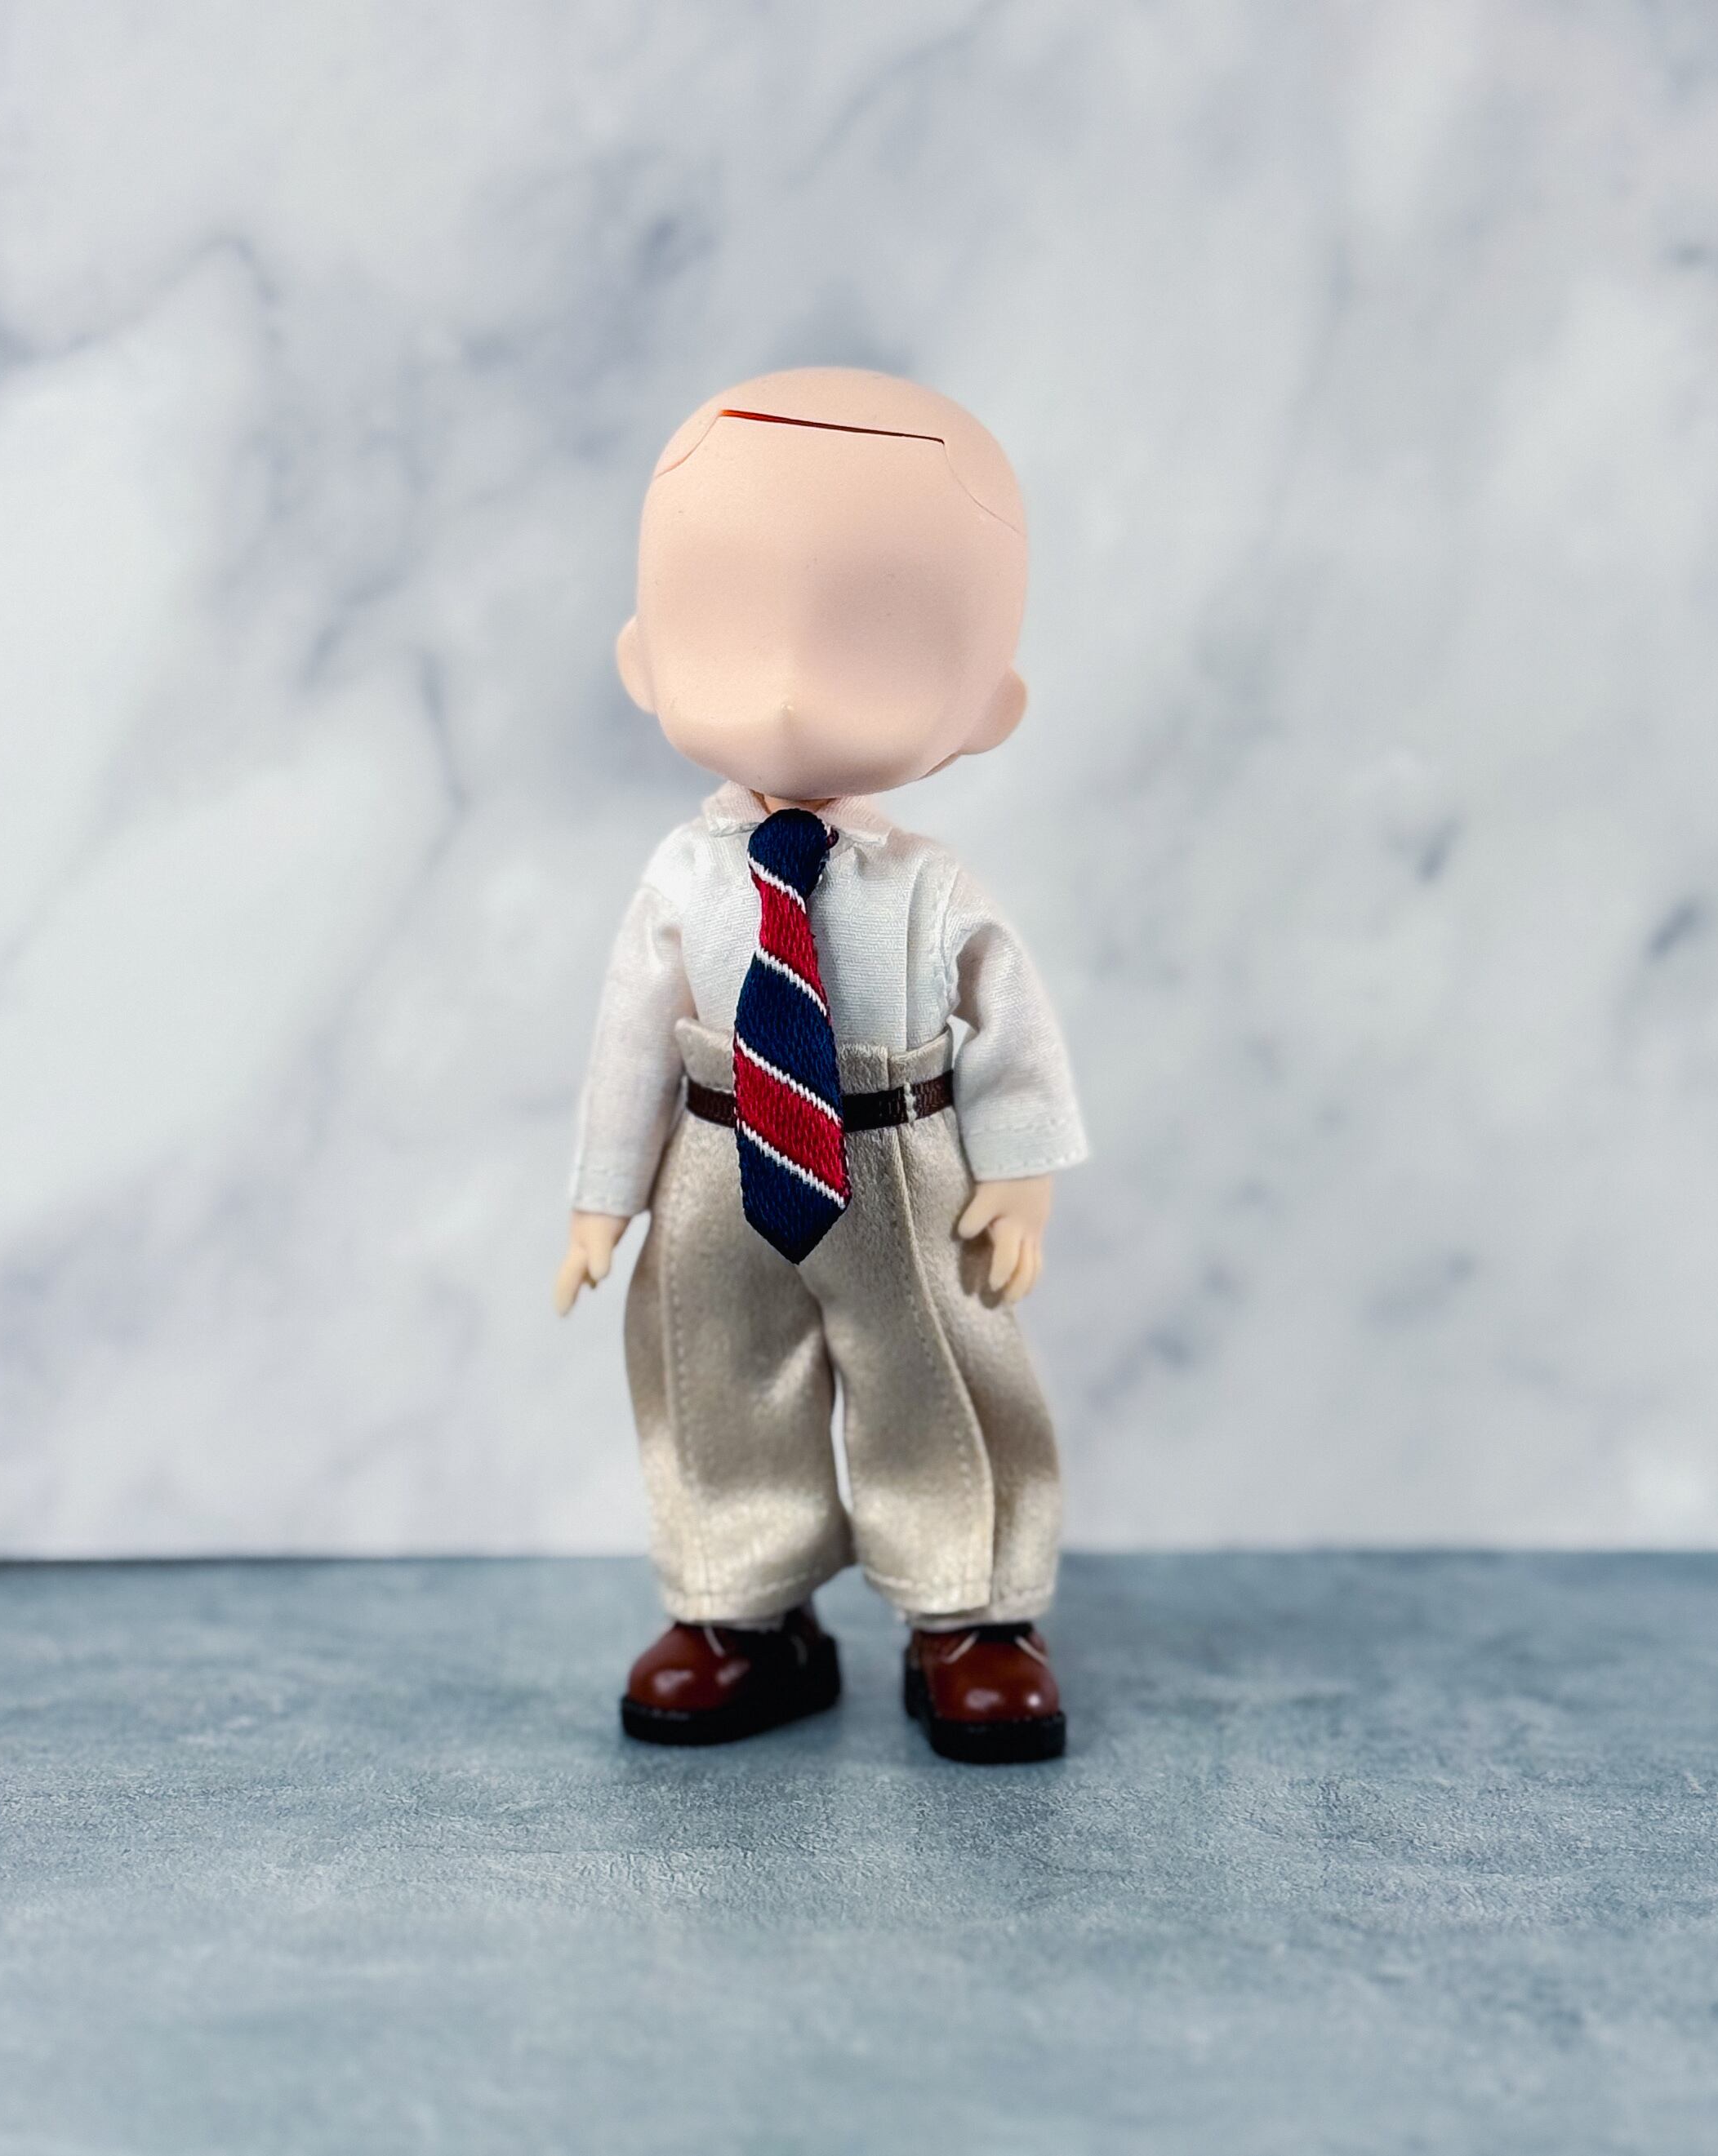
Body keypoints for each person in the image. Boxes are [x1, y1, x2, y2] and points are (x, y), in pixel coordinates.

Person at [554, 368, 1087, 1764]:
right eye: (729, 621)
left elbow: (1008, 1022)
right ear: (644, 656)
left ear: (988, 701)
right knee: (713, 1371)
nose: (790, 684)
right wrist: (604, 1196)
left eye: (878, 643)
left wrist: (1018, 1173)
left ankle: (970, 1612)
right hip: (717, 1152)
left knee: (941, 1372)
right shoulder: (684, 878)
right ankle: (740, 1607)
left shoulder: (928, 885)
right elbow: (630, 1036)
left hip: (902, 1152)